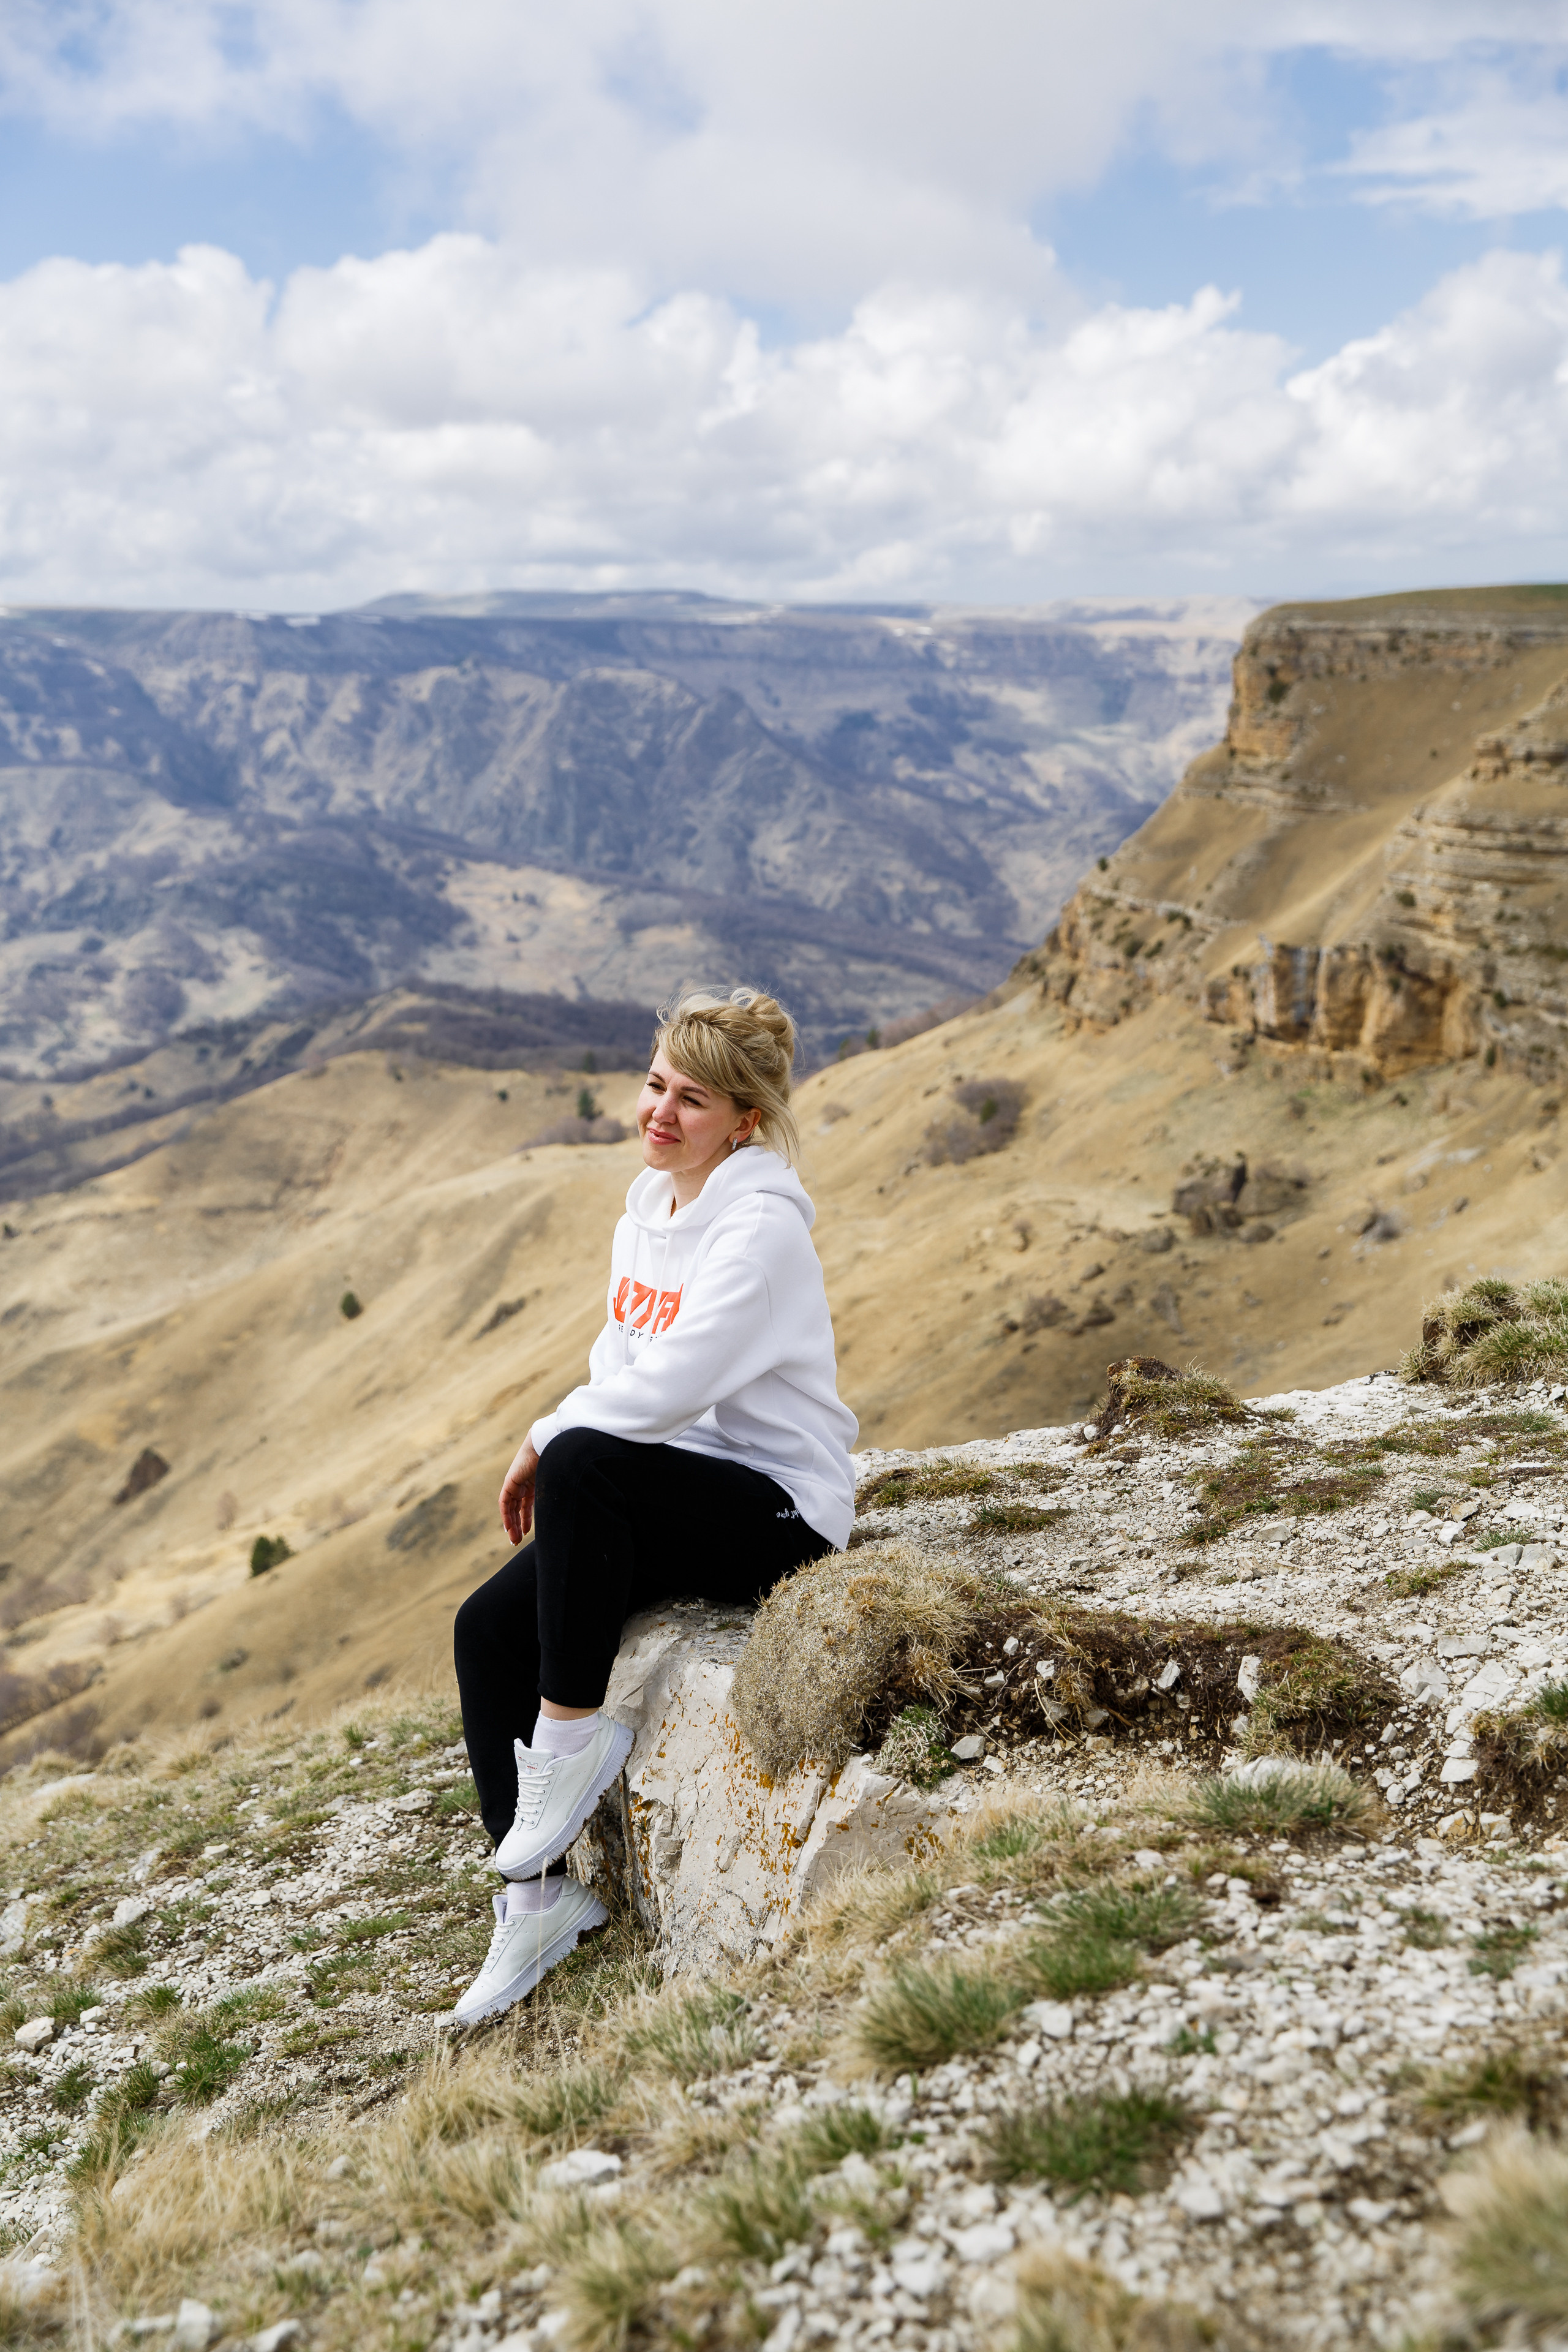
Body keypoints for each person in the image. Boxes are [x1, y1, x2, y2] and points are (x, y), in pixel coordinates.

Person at [451, 985, 857, 2021]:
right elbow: (616, 1366)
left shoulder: (759, 1233)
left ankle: (571, 1747)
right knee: (485, 1630)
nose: (661, 1114)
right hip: (670, 1494)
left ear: (746, 1122)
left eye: (694, 1101)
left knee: (586, 1458)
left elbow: (672, 1384)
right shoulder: (649, 1214)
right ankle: (538, 1898)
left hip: (777, 1514)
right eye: (655, 1085)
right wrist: (563, 1430)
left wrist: (548, 1438)